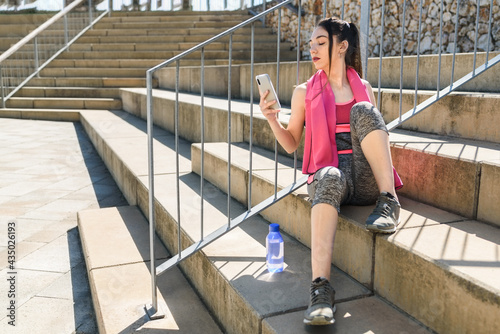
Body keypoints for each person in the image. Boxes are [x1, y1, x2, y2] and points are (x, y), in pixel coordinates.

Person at [258, 17, 402, 326]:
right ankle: (321, 291)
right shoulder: (303, 92)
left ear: (342, 47)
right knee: (329, 175)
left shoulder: (362, 87)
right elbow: (292, 143)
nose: (313, 49)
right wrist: (272, 119)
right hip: (329, 177)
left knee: (364, 111)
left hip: (363, 177)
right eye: (310, 44)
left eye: (320, 43)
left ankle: (389, 200)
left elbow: (376, 137)